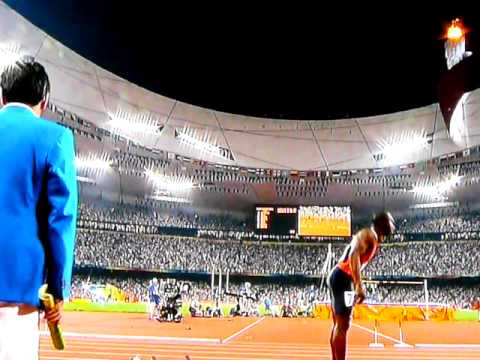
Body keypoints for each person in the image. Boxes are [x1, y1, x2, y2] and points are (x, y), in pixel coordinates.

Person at [0, 57, 77, 359]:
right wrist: (57, 291)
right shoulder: (55, 138)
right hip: (17, 291)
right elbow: (61, 218)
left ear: (2, 95)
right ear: (44, 100)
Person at [327, 212, 395, 360]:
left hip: (340, 277)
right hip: (342, 277)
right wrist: (358, 284)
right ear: (381, 223)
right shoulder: (368, 235)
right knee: (342, 325)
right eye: (391, 222)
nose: (393, 225)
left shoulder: (373, 239)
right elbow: (354, 254)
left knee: (339, 325)